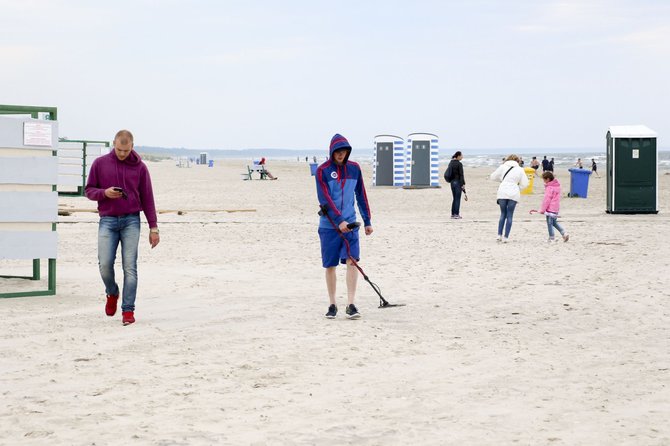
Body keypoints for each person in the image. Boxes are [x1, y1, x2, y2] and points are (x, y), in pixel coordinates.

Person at [85, 130, 160, 326]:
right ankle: (112, 292)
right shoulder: (100, 164)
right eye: (119, 149)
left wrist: (154, 228)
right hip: (108, 221)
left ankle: (128, 310)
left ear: (132, 147)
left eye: (126, 151)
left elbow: (148, 199)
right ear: (114, 144)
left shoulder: (140, 168)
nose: (122, 154)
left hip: (131, 221)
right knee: (104, 265)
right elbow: (89, 191)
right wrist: (105, 193)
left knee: (130, 267)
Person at [316, 134, 372, 320]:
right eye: (337, 152)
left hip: (351, 224)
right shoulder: (322, 170)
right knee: (330, 265)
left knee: (352, 261)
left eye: (344, 151)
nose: (341, 155)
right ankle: (332, 304)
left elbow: (361, 195)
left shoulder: (354, 169)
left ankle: (351, 304)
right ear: (332, 152)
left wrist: (367, 221)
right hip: (329, 226)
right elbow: (325, 200)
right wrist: (339, 221)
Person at [490, 154, 529, 243]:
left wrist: (502, 180)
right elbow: (525, 184)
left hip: (502, 191)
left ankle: (499, 235)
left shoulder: (503, 166)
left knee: (503, 213)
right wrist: (518, 187)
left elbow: (492, 177)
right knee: (510, 215)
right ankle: (506, 237)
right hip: (514, 192)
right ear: (517, 161)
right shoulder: (520, 169)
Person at [530, 172, 569, 243]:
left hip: (550, 209)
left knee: (550, 223)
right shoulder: (557, 186)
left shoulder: (549, 188)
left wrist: (542, 210)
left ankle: (552, 238)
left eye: (544, 180)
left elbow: (546, 199)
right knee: (554, 222)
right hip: (556, 208)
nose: (543, 181)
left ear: (548, 179)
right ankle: (564, 233)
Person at [445, 151, 465, 219]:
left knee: (454, 198)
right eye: (461, 155)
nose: (462, 157)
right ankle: (456, 214)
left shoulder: (451, 163)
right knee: (457, 199)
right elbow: (461, 175)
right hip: (457, 182)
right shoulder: (459, 164)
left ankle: (453, 214)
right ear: (458, 156)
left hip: (452, 182)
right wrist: (463, 184)